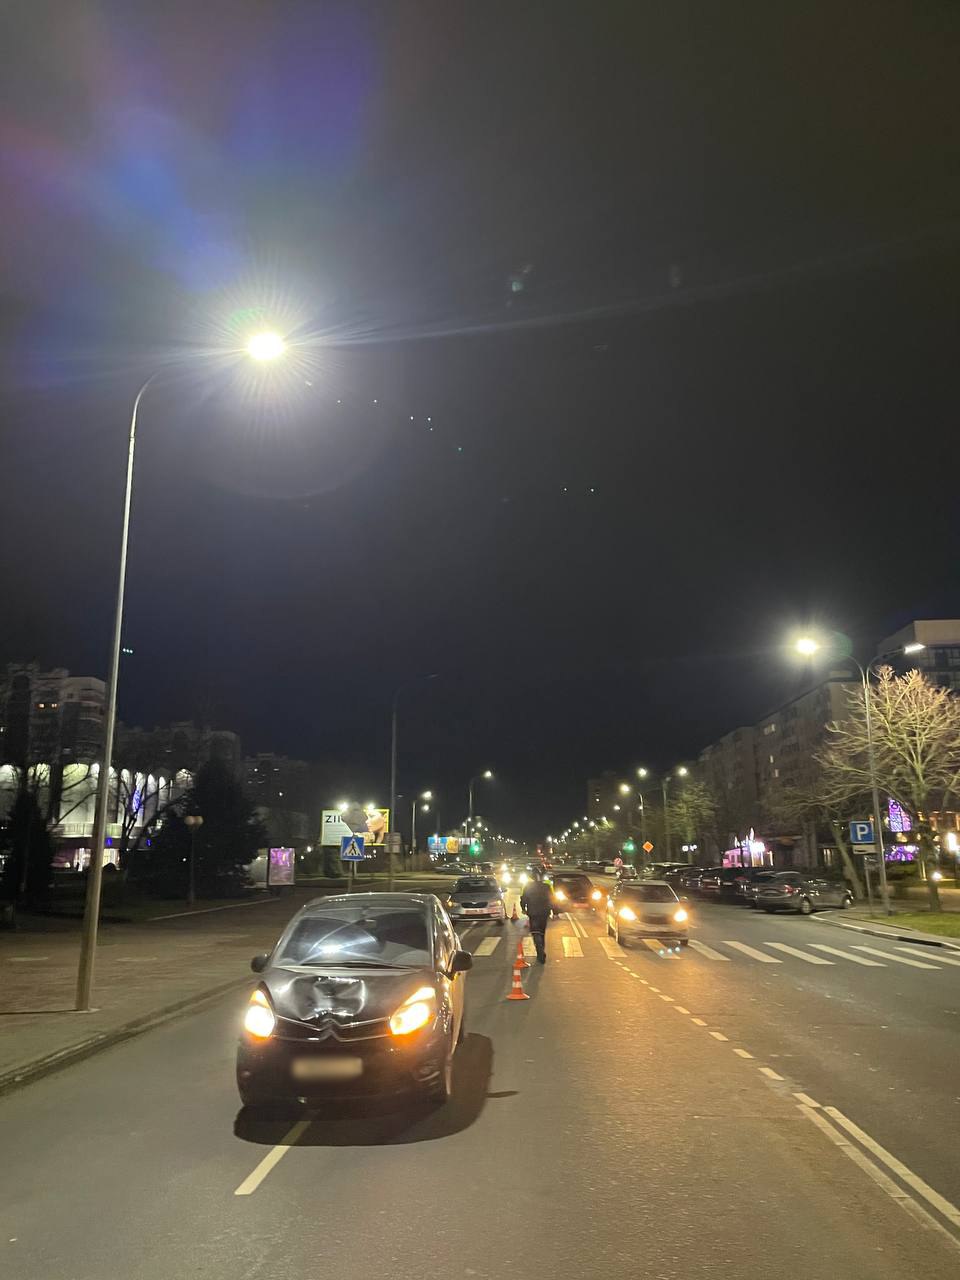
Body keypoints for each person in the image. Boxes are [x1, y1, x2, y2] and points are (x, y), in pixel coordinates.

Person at [520, 869, 552, 964]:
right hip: (544, 913)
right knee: (542, 933)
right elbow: (552, 899)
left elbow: (523, 899)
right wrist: (554, 910)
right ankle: (541, 952)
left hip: (533, 913)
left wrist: (523, 908)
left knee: (535, 932)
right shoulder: (546, 886)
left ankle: (540, 952)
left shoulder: (528, 887)